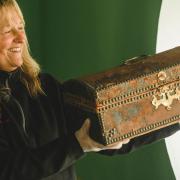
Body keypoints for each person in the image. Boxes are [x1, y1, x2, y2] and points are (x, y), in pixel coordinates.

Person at [0, 0, 179, 179]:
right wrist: (77, 145)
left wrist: (174, 114)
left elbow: (104, 135)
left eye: (21, 27)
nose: (21, 38)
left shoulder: (45, 86)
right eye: (8, 31)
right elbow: (7, 171)